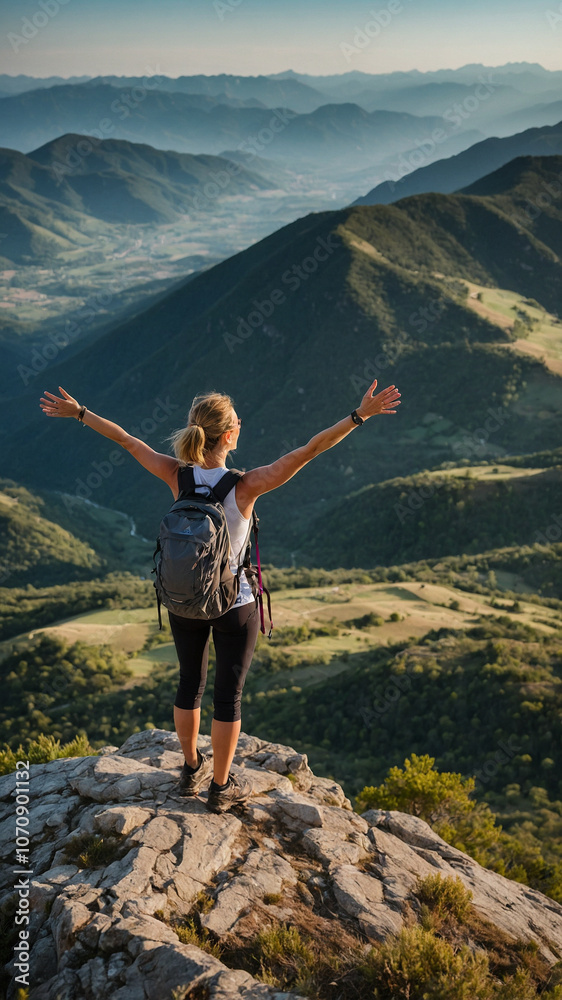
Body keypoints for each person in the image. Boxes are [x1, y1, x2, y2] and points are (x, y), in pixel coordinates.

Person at [39, 378, 401, 812]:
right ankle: (220, 786)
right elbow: (311, 449)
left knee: (189, 682)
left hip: (184, 598)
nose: (242, 425)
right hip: (235, 603)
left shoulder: (177, 475)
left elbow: (126, 440)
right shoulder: (246, 484)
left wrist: (80, 413)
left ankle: (191, 767)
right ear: (228, 436)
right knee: (228, 695)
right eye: (238, 423)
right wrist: (359, 415)